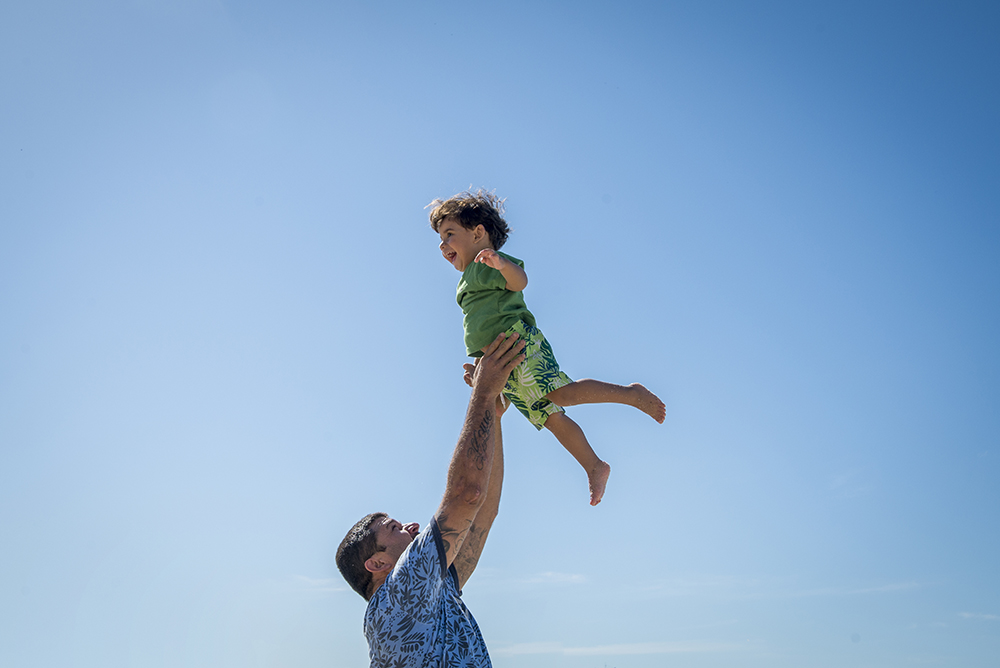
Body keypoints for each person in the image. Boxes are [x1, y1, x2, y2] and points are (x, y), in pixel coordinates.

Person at [429, 189, 666, 506]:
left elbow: (519, 282)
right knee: (551, 417)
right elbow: (478, 323)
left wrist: (501, 264)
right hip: (501, 360)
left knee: (560, 393)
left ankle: (630, 394)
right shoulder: (468, 277)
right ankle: (593, 465)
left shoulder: (486, 264)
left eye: (449, 234)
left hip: (517, 343)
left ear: (478, 233)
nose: (443, 245)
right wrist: (479, 367)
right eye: (440, 238)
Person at [336, 332, 526, 668]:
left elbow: (482, 513)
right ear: (378, 565)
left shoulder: (424, 593)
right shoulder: (401, 591)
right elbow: (467, 495)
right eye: (393, 528)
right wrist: (482, 393)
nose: (409, 525)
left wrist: (493, 415)